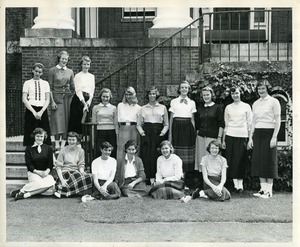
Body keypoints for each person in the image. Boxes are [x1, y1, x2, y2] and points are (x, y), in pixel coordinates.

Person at [248, 79, 281, 198]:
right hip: (258, 133)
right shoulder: (256, 103)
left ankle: (269, 191)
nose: (260, 90)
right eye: (259, 88)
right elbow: (253, 122)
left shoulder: (274, 102)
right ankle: (262, 189)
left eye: (263, 88)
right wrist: (251, 137)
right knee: (258, 161)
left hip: (269, 133)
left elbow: (278, 121)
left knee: (269, 161)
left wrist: (274, 137)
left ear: (267, 89)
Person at [222, 86, 252, 193]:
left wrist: (250, 139)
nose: (235, 95)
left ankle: (241, 186)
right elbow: (226, 124)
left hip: (243, 135)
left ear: (240, 94)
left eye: (237, 93)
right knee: (232, 160)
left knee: (241, 160)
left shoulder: (246, 106)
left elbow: (250, 124)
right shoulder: (228, 107)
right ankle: (235, 185)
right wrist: (223, 140)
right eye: (233, 93)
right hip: (230, 135)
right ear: (231, 95)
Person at [11, 128, 56, 200]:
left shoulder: (48, 148)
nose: (39, 138)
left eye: (41, 136)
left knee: (51, 182)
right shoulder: (29, 149)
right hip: (33, 172)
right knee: (39, 184)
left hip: (45, 173)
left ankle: (25, 193)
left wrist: (46, 171)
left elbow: (50, 164)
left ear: (44, 137)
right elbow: (29, 164)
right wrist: (37, 172)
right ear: (34, 136)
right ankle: (23, 191)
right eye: (37, 136)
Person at [137, 86, 169, 183]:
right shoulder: (143, 108)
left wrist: (162, 133)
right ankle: (148, 178)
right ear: (147, 95)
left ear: (156, 95)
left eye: (154, 94)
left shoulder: (163, 108)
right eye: (150, 94)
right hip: (147, 133)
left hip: (159, 133)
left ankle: (158, 177)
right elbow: (138, 124)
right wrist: (143, 134)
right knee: (147, 155)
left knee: (157, 154)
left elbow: (166, 124)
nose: (152, 96)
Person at [168, 81, 196, 187]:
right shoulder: (174, 101)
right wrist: (170, 133)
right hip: (177, 128)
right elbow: (171, 119)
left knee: (186, 155)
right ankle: (176, 179)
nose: (184, 89)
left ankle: (183, 180)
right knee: (177, 153)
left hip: (187, 128)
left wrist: (193, 132)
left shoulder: (192, 102)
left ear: (189, 89)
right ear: (179, 89)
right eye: (182, 87)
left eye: (186, 88)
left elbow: (192, 119)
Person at [49, 50, 75, 152]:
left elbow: (73, 86)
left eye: (66, 59)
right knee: (57, 122)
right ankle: (56, 144)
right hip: (56, 98)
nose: (64, 60)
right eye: (63, 58)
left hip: (67, 99)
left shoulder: (70, 71)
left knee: (66, 121)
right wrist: (52, 102)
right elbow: (50, 88)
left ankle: (63, 145)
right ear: (59, 59)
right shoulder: (52, 70)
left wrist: (70, 95)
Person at [54, 132, 93, 198]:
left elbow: (81, 164)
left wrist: (82, 172)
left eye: (73, 140)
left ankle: (62, 190)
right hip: (65, 172)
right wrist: (62, 180)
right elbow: (58, 167)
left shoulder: (81, 151)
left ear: (77, 140)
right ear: (67, 140)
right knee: (73, 177)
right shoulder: (63, 150)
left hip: (76, 172)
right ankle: (72, 190)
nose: (71, 142)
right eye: (69, 140)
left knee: (90, 177)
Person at [195, 86, 224, 171]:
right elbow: (197, 124)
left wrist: (219, 138)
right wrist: (198, 134)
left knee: (213, 160)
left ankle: (214, 181)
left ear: (212, 95)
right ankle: (204, 181)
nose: (206, 97)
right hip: (201, 138)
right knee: (203, 161)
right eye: (204, 95)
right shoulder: (200, 109)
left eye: (208, 95)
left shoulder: (217, 107)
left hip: (213, 138)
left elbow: (221, 124)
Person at [22, 63, 52, 146]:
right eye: (36, 71)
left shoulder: (45, 83)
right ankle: (30, 152)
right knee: (30, 131)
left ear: (42, 73)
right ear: (32, 71)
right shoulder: (27, 83)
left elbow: (48, 99)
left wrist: (41, 112)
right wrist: (34, 112)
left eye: (40, 72)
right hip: (31, 109)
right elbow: (24, 98)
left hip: (42, 110)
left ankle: (45, 151)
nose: (37, 73)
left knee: (45, 130)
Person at [68, 56, 95, 136]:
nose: (86, 66)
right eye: (84, 64)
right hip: (79, 101)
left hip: (88, 101)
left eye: (88, 64)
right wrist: (84, 103)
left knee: (87, 122)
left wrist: (89, 102)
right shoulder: (78, 76)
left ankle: (85, 143)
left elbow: (92, 89)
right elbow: (78, 90)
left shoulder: (91, 76)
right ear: (81, 65)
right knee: (77, 122)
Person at [116, 86, 141, 163]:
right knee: (122, 149)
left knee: (133, 148)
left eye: (130, 94)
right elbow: (116, 120)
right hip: (123, 128)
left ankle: (133, 168)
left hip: (134, 128)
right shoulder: (120, 105)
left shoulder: (139, 108)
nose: (128, 97)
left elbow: (140, 122)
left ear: (134, 95)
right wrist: (117, 132)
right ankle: (121, 169)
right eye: (127, 94)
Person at [92, 88, 118, 158]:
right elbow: (93, 123)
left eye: (107, 97)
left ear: (110, 97)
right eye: (104, 96)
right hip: (99, 132)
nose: (105, 98)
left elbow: (115, 122)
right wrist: (93, 137)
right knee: (99, 150)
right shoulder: (95, 107)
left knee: (111, 151)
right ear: (101, 97)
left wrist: (117, 134)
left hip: (111, 132)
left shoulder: (114, 108)